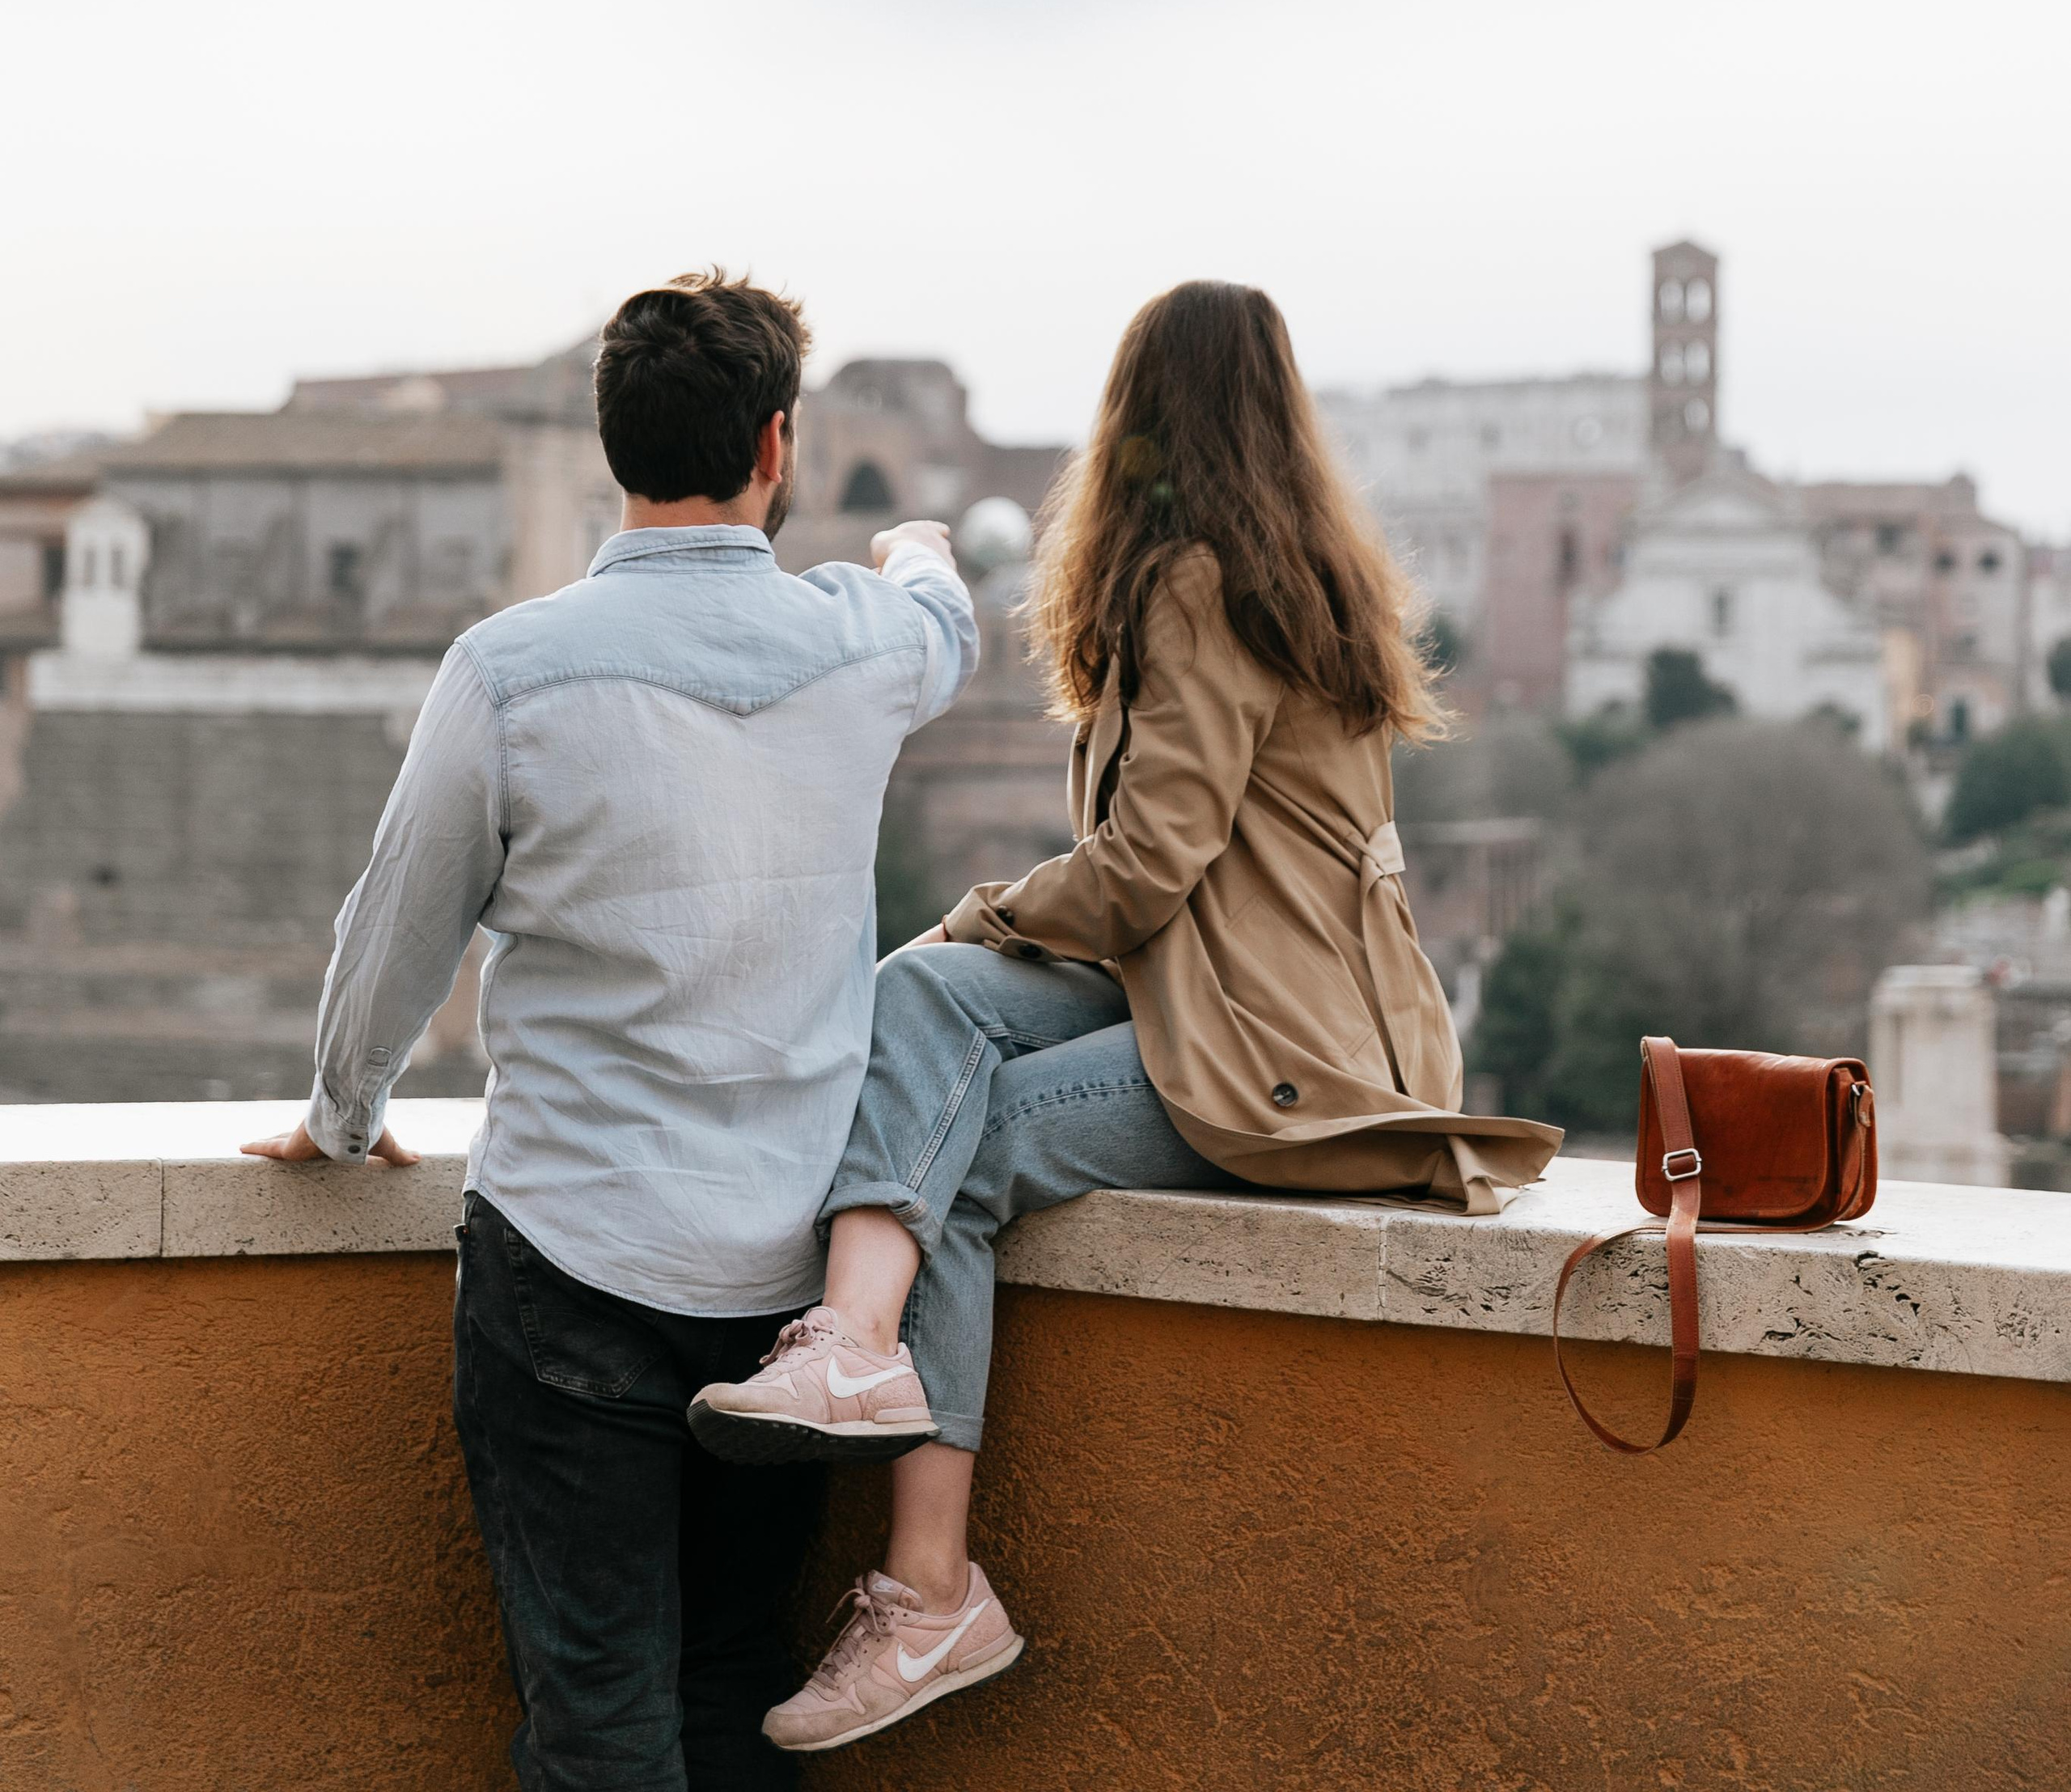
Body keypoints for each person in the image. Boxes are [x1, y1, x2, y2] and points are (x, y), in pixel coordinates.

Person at [692, 277, 1562, 1757]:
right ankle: (850, 1340)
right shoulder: (1302, 576)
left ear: (1135, 416)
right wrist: (969, 943)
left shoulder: (1195, 582)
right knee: (921, 999)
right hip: (1280, 1011)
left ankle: (930, 1589)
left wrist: (986, 911)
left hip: (1275, 1055)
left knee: (959, 1151)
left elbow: (1153, 864)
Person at [244, 270, 977, 1792]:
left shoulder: (511, 670)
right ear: (777, 447)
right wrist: (915, 544)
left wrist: (339, 1109)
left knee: (597, 1725)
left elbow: (397, 932)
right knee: (733, 1690)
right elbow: (944, 616)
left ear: (610, 447)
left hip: (570, 1263)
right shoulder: (868, 649)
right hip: (781, 1294)